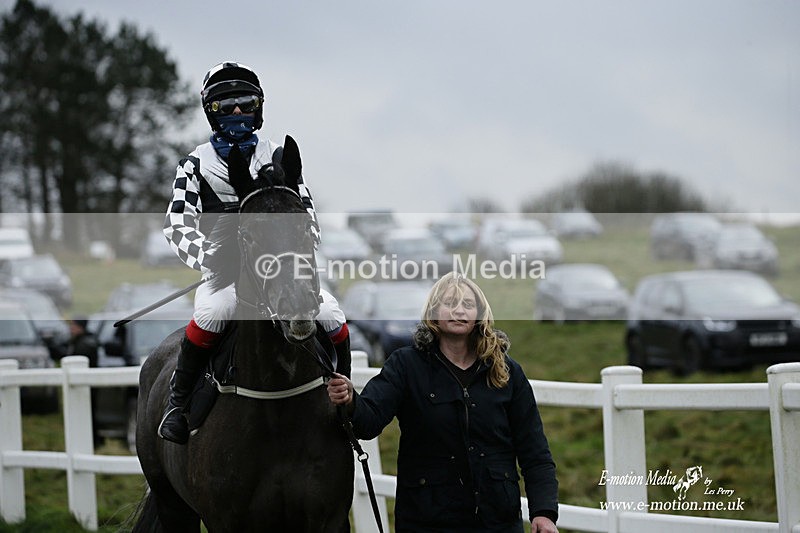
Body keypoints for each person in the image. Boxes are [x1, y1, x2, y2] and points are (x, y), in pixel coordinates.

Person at [160, 61, 350, 444]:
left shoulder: (278, 155)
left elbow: (307, 213)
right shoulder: (195, 165)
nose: (236, 112)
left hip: (281, 265)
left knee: (330, 311)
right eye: (224, 106)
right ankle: (178, 407)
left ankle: (344, 397)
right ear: (210, 112)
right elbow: (177, 224)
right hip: (226, 271)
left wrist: (295, 247)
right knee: (213, 311)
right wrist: (209, 258)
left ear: (257, 108)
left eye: (244, 104)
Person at [328, 272, 559, 532]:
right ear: (434, 311)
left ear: (479, 315)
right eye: (450, 303)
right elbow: (368, 421)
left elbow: (535, 450)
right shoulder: (406, 365)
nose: (458, 311)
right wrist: (350, 401)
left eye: (468, 305)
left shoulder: (506, 371)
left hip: (497, 520)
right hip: (427, 519)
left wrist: (544, 512)